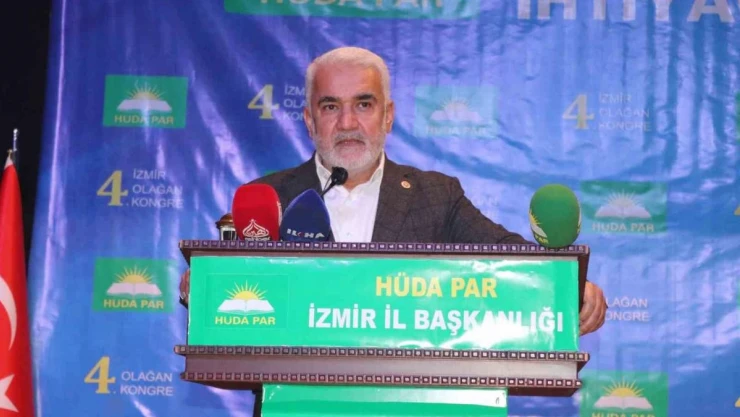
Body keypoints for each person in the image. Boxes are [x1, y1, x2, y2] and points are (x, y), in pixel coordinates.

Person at [179, 46, 607, 336]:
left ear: (388, 117)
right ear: (310, 121)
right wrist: (205, 285)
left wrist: (568, 287)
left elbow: (506, 257)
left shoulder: (435, 196)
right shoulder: (267, 197)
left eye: (363, 104)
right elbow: (237, 295)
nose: (347, 123)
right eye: (331, 106)